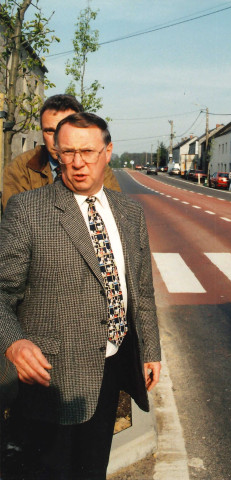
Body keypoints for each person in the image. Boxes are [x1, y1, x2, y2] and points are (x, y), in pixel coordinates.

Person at [0, 112, 161, 479]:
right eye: (68, 151)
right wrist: (14, 343)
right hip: (51, 379)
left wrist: (150, 350)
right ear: (56, 153)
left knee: (92, 470)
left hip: (110, 369)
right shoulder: (28, 210)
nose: (77, 162)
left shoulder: (130, 213)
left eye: (87, 151)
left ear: (108, 152)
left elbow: (141, 288)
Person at [1, 94, 120, 210]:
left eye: (65, 131)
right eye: (50, 131)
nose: (57, 140)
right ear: (42, 132)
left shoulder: (97, 165)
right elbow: (17, 220)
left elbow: (114, 211)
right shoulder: (21, 168)